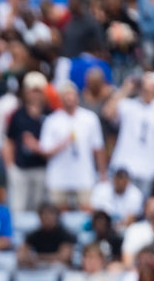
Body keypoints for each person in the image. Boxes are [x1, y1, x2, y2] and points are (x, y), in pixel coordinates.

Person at [104, 72, 154, 191]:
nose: (143, 84)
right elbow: (107, 113)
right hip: (124, 165)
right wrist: (125, 90)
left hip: (151, 168)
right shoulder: (128, 104)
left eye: (148, 81)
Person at [39, 81, 107, 210]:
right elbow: (45, 151)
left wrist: (102, 174)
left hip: (84, 175)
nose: (70, 98)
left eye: (72, 94)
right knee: (59, 213)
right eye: (66, 95)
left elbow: (98, 148)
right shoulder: (52, 120)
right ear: (61, 98)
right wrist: (63, 143)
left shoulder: (90, 118)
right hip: (58, 177)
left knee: (87, 211)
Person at [3, 71, 51, 214]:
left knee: (39, 209)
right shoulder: (17, 114)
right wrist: (10, 167)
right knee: (18, 209)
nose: (35, 95)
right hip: (21, 168)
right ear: (25, 93)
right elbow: (9, 141)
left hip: (43, 168)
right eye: (32, 91)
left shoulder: (51, 114)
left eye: (38, 91)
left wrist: (37, 147)